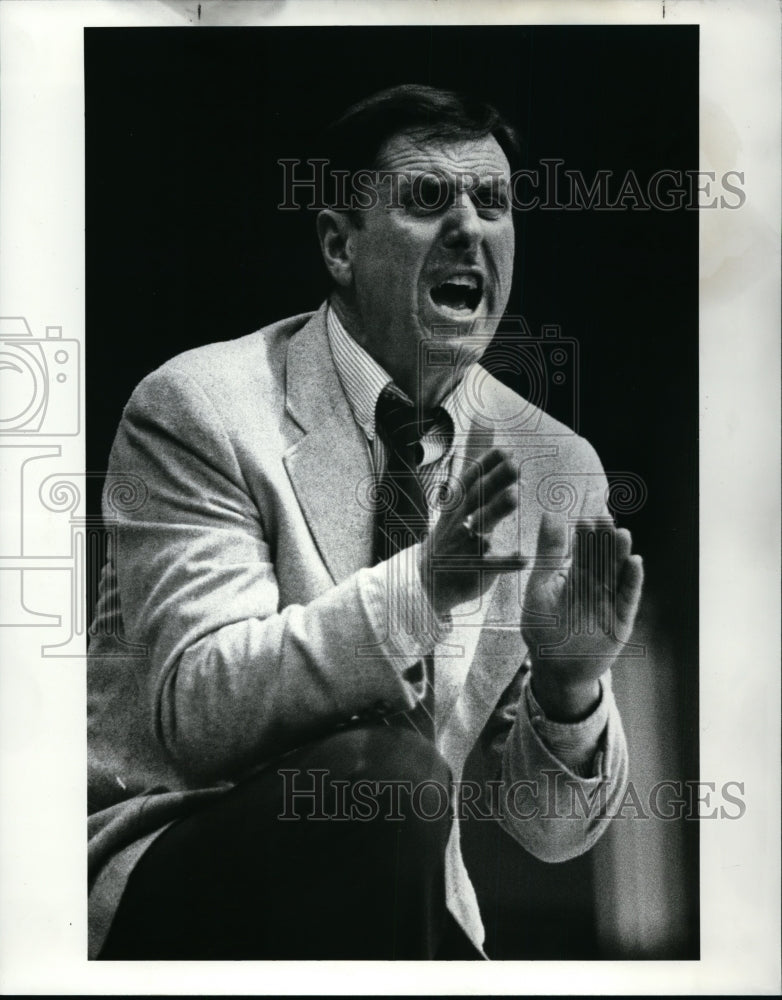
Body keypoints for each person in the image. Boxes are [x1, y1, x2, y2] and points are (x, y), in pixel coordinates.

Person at [87, 84, 644, 960]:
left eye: (492, 202)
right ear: (339, 245)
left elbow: (550, 832)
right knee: (391, 776)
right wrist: (421, 588)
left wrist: (569, 692)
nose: (469, 227)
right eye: (428, 200)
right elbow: (197, 714)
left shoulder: (554, 465)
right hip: (183, 871)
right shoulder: (200, 406)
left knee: (403, 798)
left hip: (400, 906)